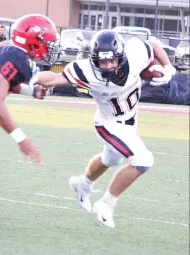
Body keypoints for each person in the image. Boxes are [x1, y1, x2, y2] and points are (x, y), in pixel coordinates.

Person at [21, 29, 176, 228]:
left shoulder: (134, 54)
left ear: (121, 56)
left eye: (112, 61)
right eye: (103, 62)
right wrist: (29, 79)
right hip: (108, 124)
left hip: (129, 121)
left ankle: (82, 184)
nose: (109, 66)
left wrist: (168, 67)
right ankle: (106, 203)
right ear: (94, 60)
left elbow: (153, 46)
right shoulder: (86, 71)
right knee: (144, 160)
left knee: (111, 159)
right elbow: (52, 78)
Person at [0, 14, 60, 188]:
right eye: (47, 43)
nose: (49, 48)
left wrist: (31, 91)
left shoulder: (10, 49)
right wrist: (21, 139)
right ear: (33, 40)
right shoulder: (15, 56)